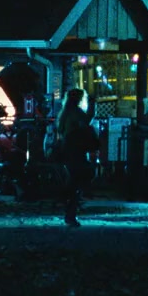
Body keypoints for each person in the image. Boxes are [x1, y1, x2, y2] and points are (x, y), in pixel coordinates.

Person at [54, 88, 98, 227]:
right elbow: (87, 120)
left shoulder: (65, 113)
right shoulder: (75, 112)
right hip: (76, 150)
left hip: (68, 149)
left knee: (74, 179)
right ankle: (69, 208)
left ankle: (68, 204)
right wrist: (92, 104)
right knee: (78, 179)